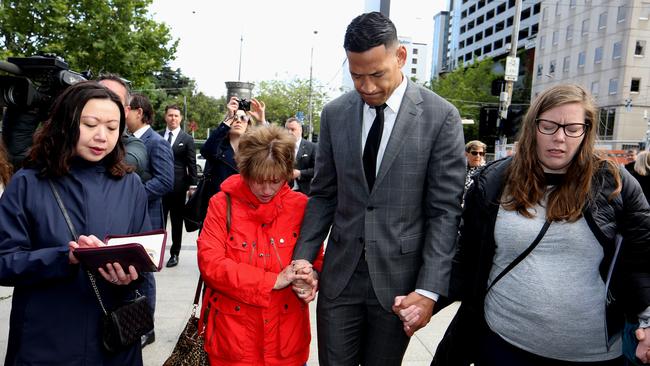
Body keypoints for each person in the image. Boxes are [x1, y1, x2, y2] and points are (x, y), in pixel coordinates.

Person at [291, 11, 466, 365]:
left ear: (399, 57)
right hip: (340, 279)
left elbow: (444, 211)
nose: (367, 87)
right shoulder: (335, 114)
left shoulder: (441, 117)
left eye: (377, 74)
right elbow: (324, 194)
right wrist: (303, 257)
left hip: (399, 286)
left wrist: (429, 289)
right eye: (357, 76)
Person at [433, 84, 650, 365]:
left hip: (593, 355)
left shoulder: (615, 183)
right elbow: (466, 258)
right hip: (501, 346)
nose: (559, 138)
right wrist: (426, 297)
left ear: (586, 131)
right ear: (533, 126)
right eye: (549, 126)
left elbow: (644, 258)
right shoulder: (494, 181)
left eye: (572, 128)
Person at [0, 81, 151, 365]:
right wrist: (64, 257)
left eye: (111, 127)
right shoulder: (28, 183)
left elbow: (144, 256)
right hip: (45, 341)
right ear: (65, 123)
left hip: (114, 340)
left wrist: (131, 273)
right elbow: (4, 261)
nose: (101, 137)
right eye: (91, 124)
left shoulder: (130, 185)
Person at [197, 125, 323, 365]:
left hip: (286, 343)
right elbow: (210, 265)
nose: (267, 190)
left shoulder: (301, 207)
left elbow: (317, 260)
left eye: (275, 181)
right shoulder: (222, 204)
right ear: (245, 172)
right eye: (258, 181)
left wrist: (311, 278)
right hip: (232, 343)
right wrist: (272, 281)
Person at [99, 75, 158, 348]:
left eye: (115, 101)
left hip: (117, 313)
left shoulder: (132, 160)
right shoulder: (36, 177)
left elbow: (165, 179)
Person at [196, 96, 267, 227]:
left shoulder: (253, 150)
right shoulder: (217, 146)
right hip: (219, 209)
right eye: (235, 118)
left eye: (243, 118)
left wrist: (262, 121)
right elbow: (206, 151)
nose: (238, 121)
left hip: (247, 209)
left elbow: (271, 150)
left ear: (248, 124)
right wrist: (229, 117)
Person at [160, 104, 197, 267]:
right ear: (165, 117)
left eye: (176, 116)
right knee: (158, 221)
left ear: (180, 118)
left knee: (176, 222)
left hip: (178, 188)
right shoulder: (157, 136)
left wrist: (193, 185)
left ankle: (174, 254)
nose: (173, 118)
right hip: (158, 187)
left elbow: (192, 163)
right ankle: (156, 252)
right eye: (170, 115)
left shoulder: (187, 139)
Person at [98, 74, 150, 182]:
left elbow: (127, 165)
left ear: (126, 111)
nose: (105, 102)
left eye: (114, 99)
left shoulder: (133, 145)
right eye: (98, 96)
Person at [285, 117, 316, 195]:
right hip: (284, 191)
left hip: (305, 192)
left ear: (300, 130)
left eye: (292, 129)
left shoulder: (312, 147)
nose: (289, 132)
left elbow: (318, 169)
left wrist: (300, 173)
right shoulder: (281, 147)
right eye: (287, 130)